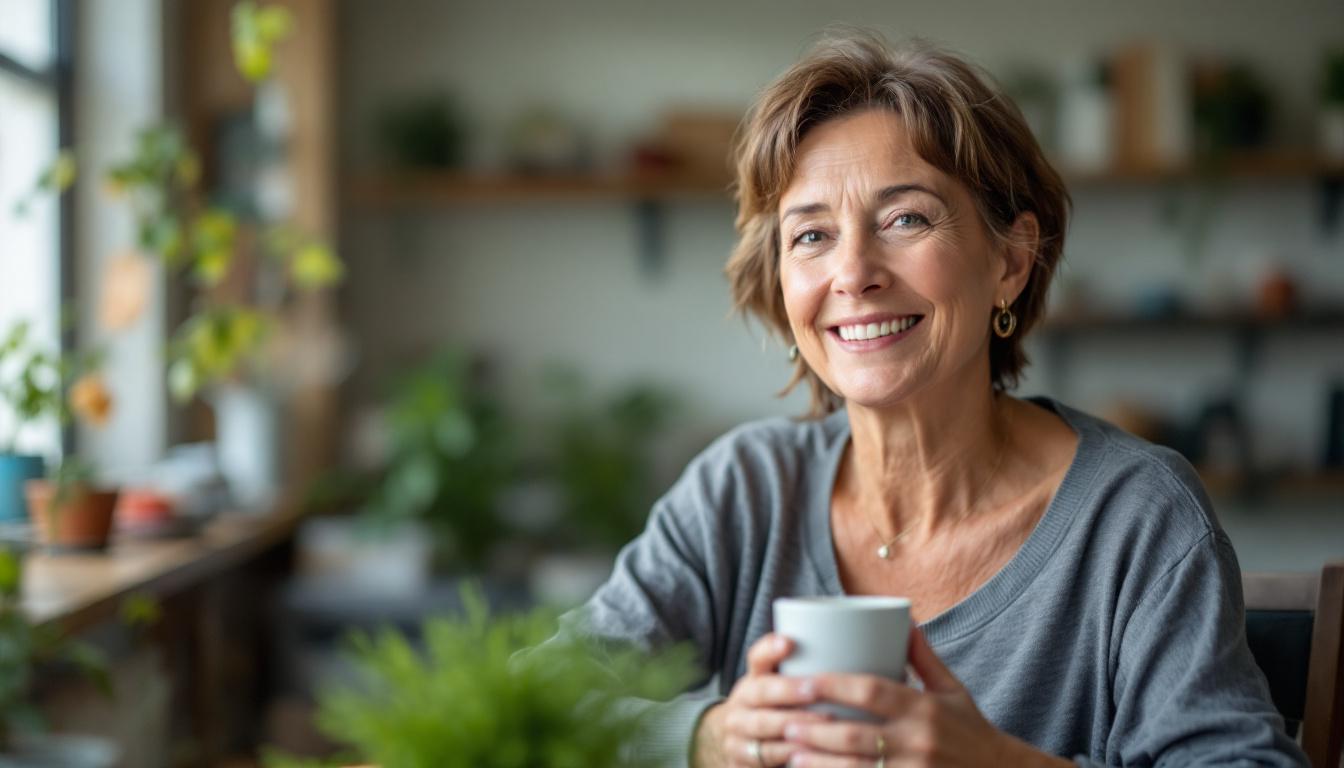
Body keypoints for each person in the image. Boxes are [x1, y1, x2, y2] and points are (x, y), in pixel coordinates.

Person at [550, 32, 1307, 768]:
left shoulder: (1135, 513)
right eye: (811, 236)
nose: (854, 274)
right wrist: (707, 740)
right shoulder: (743, 491)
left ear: (1011, 260)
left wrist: (998, 765)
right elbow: (535, 700)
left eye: (905, 219)